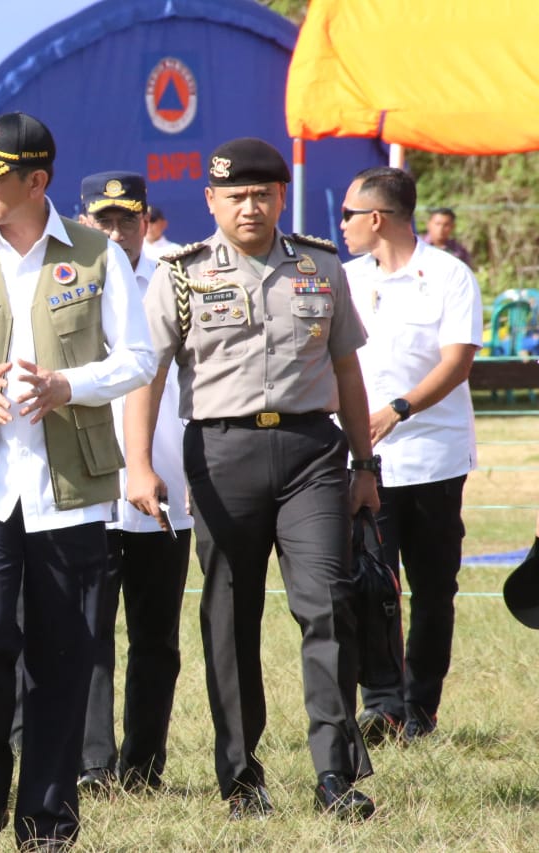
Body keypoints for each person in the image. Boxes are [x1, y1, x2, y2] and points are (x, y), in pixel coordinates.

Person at [0, 112, 155, 852]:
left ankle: (47, 819)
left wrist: (66, 385)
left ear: (36, 182)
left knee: (63, 653)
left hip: (67, 485)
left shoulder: (100, 254)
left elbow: (137, 358)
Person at [125, 137, 379, 821]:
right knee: (228, 616)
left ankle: (336, 773)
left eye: (261, 194)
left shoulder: (321, 264)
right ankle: (240, 777)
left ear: (279, 198)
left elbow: (348, 370)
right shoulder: (179, 272)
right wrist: (141, 464)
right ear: (211, 201)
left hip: (310, 453)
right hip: (222, 450)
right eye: (235, 195)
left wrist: (364, 464)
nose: (250, 206)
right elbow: (146, 376)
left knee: (327, 601)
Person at [340, 167, 482, 743]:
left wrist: (396, 409)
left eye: (349, 213)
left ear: (376, 219)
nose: (342, 224)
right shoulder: (343, 278)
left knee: (432, 588)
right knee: (370, 584)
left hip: (432, 459)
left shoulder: (448, 275)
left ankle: (420, 707)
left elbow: (457, 362)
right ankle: (381, 706)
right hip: (362, 460)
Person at [73, 171, 193, 794]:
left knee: (155, 638)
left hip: (165, 487)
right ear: (84, 221)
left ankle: (144, 766)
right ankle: (94, 766)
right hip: (87, 490)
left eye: (128, 219)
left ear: (147, 220)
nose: (117, 231)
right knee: (88, 636)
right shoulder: (65, 285)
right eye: (105, 220)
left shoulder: (178, 279)